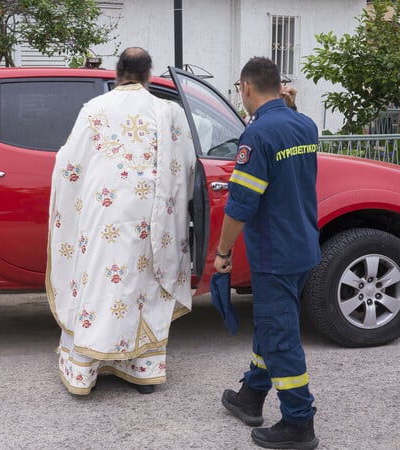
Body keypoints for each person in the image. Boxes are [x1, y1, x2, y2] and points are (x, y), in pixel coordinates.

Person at [45, 47, 195, 395]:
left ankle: (86, 372)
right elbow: (186, 167)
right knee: (142, 289)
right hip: (153, 220)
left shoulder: (94, 109)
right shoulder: (168, 111)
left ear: (118, 72)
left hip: (104, 216)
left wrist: (77, 202)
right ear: (148, 73)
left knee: (101, 284)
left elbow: (68, 163)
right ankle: (143, 371)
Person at [213, 57, 321, 449]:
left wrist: (223, 253)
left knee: (280, 338)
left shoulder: (258, 135)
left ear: (245, 88)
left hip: (275, 254)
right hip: (303, 246)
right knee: (271, 325)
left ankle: (298, 422)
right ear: (279, 86)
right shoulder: (304, 124)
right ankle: (251, 396)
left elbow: (241, 204)